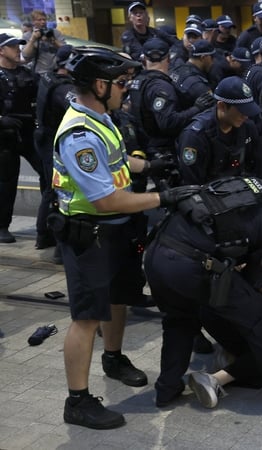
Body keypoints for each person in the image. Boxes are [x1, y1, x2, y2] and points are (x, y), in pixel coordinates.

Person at [53, 47, 198, 429]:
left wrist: (149, 165)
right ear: (99, 85)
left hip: (119, 229)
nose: (126, 89)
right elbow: (104, 199)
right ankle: (78, 400)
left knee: (119, 299)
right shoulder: (79, 134)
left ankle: (113, 357)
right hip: (91, 233)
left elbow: (117, 163)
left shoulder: (103, 118)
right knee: (86, 318)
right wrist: (161, 197)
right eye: (121, 83)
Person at [145, 177, 262, 408]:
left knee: (178, 322)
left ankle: (166, 389)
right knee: (260, 320)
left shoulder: (248, 185)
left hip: (157, 254)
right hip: (190, 266)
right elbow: (252, 281)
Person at [128, 38, 216, 169]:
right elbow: (169, 123)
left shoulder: (138, 81)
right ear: (169, 58)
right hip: (162, 152)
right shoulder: (160, 87)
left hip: (144, 147)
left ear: (143, 60)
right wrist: (197, 108)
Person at [176, 76, 262, 185]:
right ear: (222, 106)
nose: (246, 116)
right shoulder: (195, 137)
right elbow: (192, 184)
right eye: (241, 111)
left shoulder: (247, 127)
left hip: (239, 190)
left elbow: (260, 167)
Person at [0, 33, 43, 245]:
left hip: (27, 133)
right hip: (4, 137)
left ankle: (45, 226)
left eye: (18, 45)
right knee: (6, 183)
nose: (18, 49)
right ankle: (2, 227)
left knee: (48, 171)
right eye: (13, 46)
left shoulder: (26, 74)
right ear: (1, 51)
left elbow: (41, 95)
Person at [33, 45, 74, 254]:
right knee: (56, 189)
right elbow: (78, 107)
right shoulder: (62, 87)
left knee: (50, 188)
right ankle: (54, 241)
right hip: (53, 141)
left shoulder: (47, 78)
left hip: (44, 137)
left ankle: (43, 234)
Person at [169, 40, 215, 111]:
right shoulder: (197, 85)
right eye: (212, 57)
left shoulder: (176, 69)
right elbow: (215, 111)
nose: (213, 61)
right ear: (203, 57)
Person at [21, 10, 66, 74]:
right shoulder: (28, 35)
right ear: (33, 21)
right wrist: (33, 40)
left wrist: (53, 40)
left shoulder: (55, 33)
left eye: (44, 19)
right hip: (39, 72)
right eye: (39, 20)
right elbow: (26, 55)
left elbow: (65, 50)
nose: (43, 22)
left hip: (56, 70)